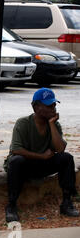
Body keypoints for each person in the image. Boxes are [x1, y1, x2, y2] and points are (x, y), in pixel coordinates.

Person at [4, 88, 79, 222]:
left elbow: (60, 148)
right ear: (36, 107)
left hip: (43, 164)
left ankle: (67, 202)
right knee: (16, 161)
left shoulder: (55, 125)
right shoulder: (23, 123)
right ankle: (11, 205)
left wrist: (51, 124)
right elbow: (16, 149)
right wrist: (42, 156)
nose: (53, 108)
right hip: (26, 164)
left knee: (67, 158)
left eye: (54, 105)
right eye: (49, 105)